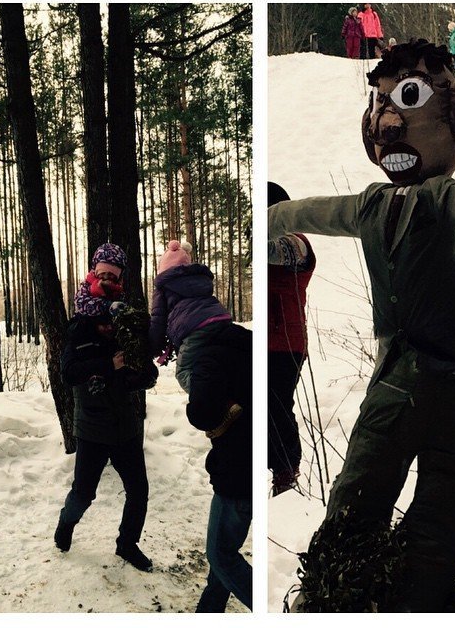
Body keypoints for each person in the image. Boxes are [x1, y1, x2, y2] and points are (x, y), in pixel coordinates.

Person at [268, 39, 455, 612]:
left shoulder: (442, 201)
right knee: (365, 499)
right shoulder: (369, 206)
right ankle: (343, 597)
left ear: (454, 114)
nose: (387, 121)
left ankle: (408, 602)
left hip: (454, 385)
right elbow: (308, 212)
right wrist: (273, 217)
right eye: (380, 104)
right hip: (407, 381)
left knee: (434, 508)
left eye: (405, 99)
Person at [54, 245, 158, 573]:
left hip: (126, 425)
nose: (108, 279)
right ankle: (66, 524)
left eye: (114, 275)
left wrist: (142, 373)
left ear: (121, 278)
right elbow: (68, 372)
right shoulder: (80, 324)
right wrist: (107, 365)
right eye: (103, 274)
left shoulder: (126, 319)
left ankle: (127, 544)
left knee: (139, 491)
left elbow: (146, 373)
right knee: (83, 494)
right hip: (92, 427)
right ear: (93, 273)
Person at [186, 322, 252, 612]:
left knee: (221, 555)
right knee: (225, 550)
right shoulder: (250, 348)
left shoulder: (208, 356)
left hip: (236, 469)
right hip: (253, 460)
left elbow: (201, 412)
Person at [268, 182, 316, 496]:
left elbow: (272, 251)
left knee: (277, 404)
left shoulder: (297, 244)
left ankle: (286, 471)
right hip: (271, 340)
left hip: (286, 342)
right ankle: (277, 469)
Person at [148, 240, 232, 393]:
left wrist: (153, 346)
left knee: (183, 372)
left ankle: (215, 398)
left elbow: (158, 318)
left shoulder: (162, 287)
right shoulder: (199, 279)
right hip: (221, 319)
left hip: (195, 328)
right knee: (218, 360)